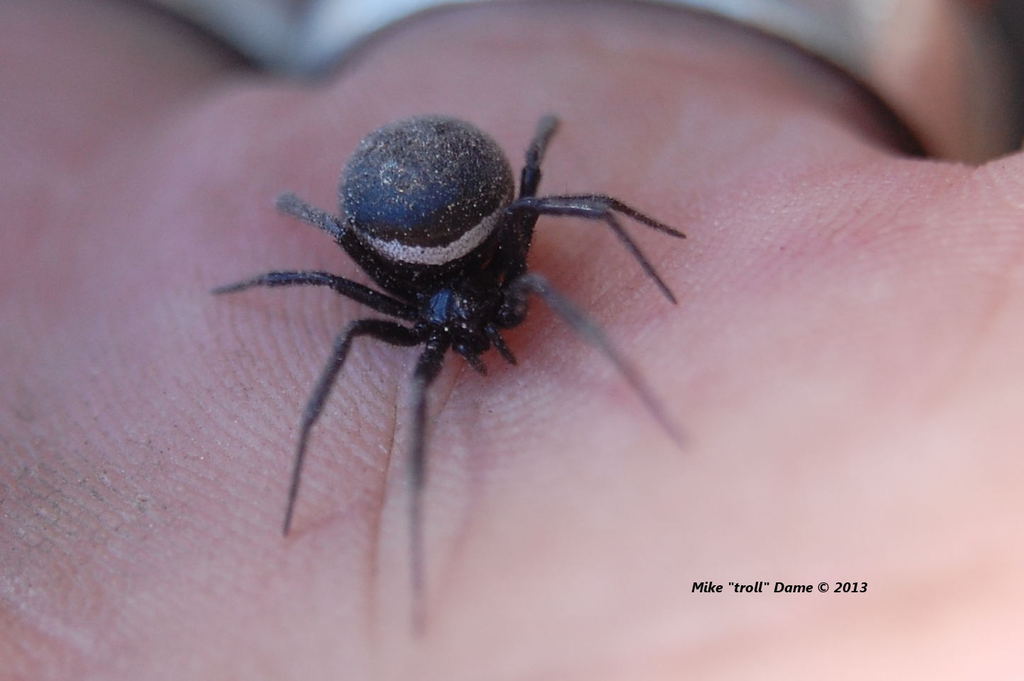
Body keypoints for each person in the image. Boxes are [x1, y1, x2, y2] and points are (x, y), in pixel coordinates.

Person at [2, 1, 1020, 677]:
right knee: (358, 328)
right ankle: (401, 550)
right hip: (392, 180)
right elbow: (325, 254)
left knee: (526, 239)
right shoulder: (412, 304)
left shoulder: (506, 274)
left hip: (445, 185)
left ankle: (644, 405)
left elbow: (575, 191)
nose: (482, 341)